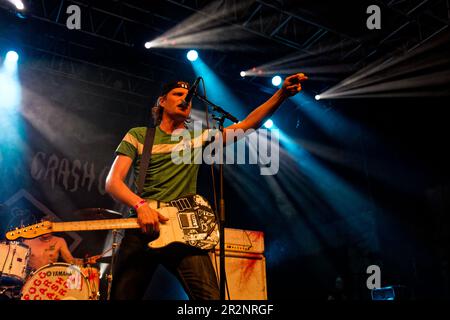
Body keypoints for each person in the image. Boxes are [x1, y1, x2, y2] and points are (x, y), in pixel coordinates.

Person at [105, 73, 308, 300]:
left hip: (184, 232)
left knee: (211, 299)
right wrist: (140, 205)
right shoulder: (139, 135)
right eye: (178, 94)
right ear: (162, 101)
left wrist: (281, 94)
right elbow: (112, 182)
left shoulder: (197, 137)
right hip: (143, 228)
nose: (185, 99)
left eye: (189, 97)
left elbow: (247, 125)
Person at [24, 233, 99, 272]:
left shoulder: (59, 241)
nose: (45, 229)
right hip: (30, 279)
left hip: (49, 280)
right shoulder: (28, 242)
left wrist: (87, 260)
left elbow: (70, 261)